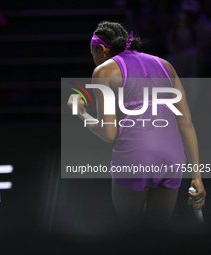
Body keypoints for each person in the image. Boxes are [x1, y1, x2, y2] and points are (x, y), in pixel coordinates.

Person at [67, 21, 206, 228]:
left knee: (130, 234)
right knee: (157, 235)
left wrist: (80, 113)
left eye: (92, 53)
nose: (94, 59)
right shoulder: (166, 65)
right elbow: (186, 123)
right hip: (172, 158)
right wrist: (197, 176)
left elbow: (109, 134)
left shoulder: (103, 72)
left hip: (135, 157)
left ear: (102, 49)